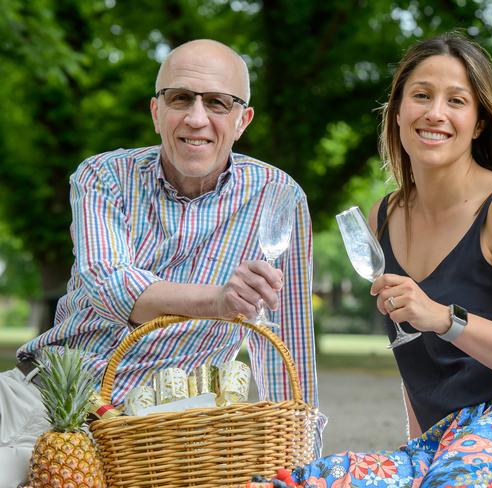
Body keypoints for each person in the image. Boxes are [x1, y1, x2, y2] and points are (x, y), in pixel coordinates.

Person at [285, 32, 492, 487]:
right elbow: (417, 361)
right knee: (308, 481)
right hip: (452, 438)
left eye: (456, 100)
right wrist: (416, 454)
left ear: (478, 122)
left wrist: (443, 318)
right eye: (421, 95)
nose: (435, 112)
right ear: (397, 111)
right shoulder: (385, 215)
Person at [0, 39, 324, 487]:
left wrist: (300, 463)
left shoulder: (278, 195)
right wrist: (218, 299)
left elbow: (287, 338)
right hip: (54, 408)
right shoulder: (103, 177)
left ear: (242, 120)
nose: (196, 118)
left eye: (217, 102)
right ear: (156, 112)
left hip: (176, 440)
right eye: (180, 99)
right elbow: (108, 284)